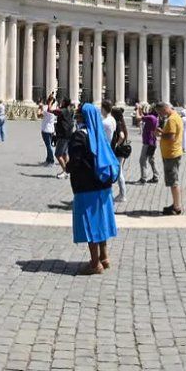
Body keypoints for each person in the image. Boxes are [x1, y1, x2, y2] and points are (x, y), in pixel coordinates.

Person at [66, 103, 119, 274]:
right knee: (101, 222)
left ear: (82, 117)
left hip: (86, 186)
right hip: (103, 186)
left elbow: (75, 162)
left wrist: (67, 166)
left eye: (78, 115)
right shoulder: (100, 134)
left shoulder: (79, 136)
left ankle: (95, 263)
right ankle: (104, 257)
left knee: (91, 224)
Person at [156, 102, 184, 215]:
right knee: (173, 180)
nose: (160, 115)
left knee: (173, 181)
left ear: (164, 109)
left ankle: (177, 207)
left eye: (160, 112)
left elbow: (171, 137)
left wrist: (160, 133)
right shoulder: (176, 116)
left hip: (171, 154)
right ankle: (176, 204)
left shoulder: (172, 119)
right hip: (172, 153)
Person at [102, 100, 130, 204]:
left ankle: (123, 195)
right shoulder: (121, 123)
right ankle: (122, 194)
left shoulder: (117, 123)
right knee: (118, 172)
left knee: (119, 173)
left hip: (118, 151)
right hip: (121, 151)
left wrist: (116, 145)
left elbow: (121, 136)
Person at [137, 105, 160, 184]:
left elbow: (138, 118)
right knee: (151, 160)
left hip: (148, 142)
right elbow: (143, 114)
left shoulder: (151, 117)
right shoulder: (154, 117)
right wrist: (140, 109)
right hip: (152, 142)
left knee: (142, 160)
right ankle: (156, 176)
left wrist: (137, 109)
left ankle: (143, 178)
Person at [55, 99, 75, 178]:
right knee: (65, 153)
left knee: (58, 154)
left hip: (62, 135)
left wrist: (50, 103)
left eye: (62, 101)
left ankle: (65, 171)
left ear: (64, 103)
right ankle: (69, 171)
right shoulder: (71, 111)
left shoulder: (62, 111)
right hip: (69, 134)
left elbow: (50, 110)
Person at [39, 94, 58, 165]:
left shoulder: (45, 108)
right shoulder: (54, 109)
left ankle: (51, 160)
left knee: (48, 146)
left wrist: (40, 108)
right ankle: (48, 159)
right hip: (52, 129)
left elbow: (39, 115)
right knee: (49, 145)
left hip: (45, 129)